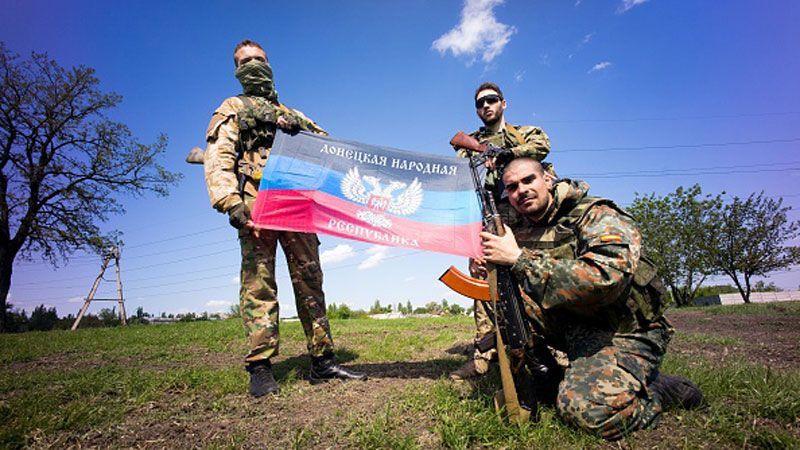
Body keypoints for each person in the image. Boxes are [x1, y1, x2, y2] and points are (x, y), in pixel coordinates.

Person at [479, 157, 705, 440]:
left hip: (623, 331)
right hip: (574, 325)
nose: (521, 190)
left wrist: (519, 259)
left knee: (587, 412)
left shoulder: (596, 215)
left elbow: (606, 278)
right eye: (511, 187)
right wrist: (489, 267)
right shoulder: (520, 227)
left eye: (528, 180)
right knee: (500, 293)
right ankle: (545, 375)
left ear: (548, 178)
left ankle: (659, 390)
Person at [203, 39, 366, 397]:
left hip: (296, 205)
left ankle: (322, 361)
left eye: (259, 59)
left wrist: (299, 129)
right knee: (259, 284)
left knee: (310, 280)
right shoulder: (232, 108)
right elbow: (218, 155)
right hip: (255, 204)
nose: (253, 65)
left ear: (269, 62)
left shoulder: (292, 112)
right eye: (245, 61)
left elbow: (328, 147)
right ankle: (260, 366)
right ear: (237, 71)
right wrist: (230, 201)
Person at [450, 82, 552, 380]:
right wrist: (480, 156)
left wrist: (506, 153)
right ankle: (484, 354)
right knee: (482, 280)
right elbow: (458, 174)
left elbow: (541, 147)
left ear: (503, 103)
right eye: (480, 103)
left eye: (491, 101)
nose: (486, 107)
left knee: (532, 274)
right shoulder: (470, 142)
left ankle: (544, 345)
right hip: (484, 214)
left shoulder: (526, 133)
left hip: (525, 215)